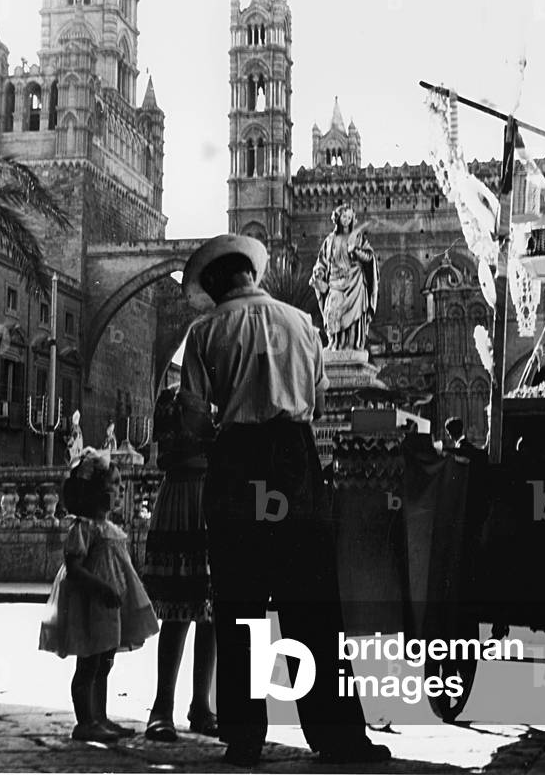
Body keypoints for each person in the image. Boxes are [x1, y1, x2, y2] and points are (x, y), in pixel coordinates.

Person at [181, 234, 391, 768]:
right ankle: (340, 733)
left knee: (240, 605)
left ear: (214, 285)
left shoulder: (205, 332)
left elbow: (191, 418)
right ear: (252, 275)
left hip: (238, 464)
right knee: (314, 605)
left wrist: (222, 428)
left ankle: (246, 736)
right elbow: (317, 403)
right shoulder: (303, 323)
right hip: (295, 466)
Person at [38, 448, 159, 742]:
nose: (118, 491)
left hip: (109, 605)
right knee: (89, 662)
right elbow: (74, 566)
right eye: (113, 485)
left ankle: (99, 716)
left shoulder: (110, 529)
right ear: (93, 493)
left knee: (105, 660)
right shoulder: (84, 528)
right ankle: (85, 720)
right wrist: (101, 587)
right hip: (91, 602)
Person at [142, 385, 218, 742]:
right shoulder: (174, 398)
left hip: (213, 495)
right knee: (178, 610)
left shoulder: (224, 392)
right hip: (186, 494)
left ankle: (201, 704)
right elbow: (170, 453)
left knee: (211, 611)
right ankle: (162, 706)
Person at [310, 203, 378, 351]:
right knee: (332, 312)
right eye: (343, 217)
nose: (346, 220)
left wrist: (355, 250)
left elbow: (369, 257)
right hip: (335, 281)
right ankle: (335, 343)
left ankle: (352, 345)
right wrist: (319, 272)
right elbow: (322, 261)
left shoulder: (358, 238)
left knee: (354, 318)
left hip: (355, 281)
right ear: (338, 218)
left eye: (349, 217)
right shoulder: (329, 240)